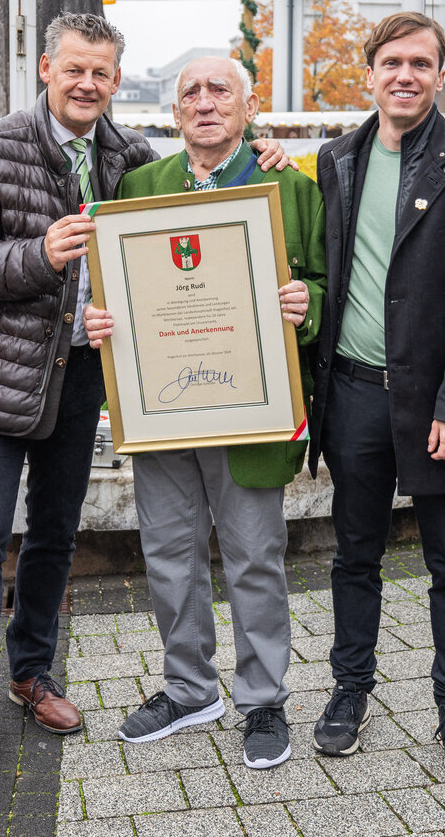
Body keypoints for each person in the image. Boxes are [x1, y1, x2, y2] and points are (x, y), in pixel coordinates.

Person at [0, 13, 291, 804]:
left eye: (102, 73)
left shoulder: (131, 159)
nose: (86, 84)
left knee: (56, 536)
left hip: (83, 378)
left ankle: (30, 672)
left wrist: (267, 155)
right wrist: (36, 256)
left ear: (117, 82)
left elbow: (197, 210)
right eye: (74, 70)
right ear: (46, 68)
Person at [82, 56, 324, 771]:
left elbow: (317, 280)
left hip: (249, 407)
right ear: (175, 111)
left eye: (220, 89)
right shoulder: (140, 186)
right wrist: (103, 321)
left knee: (254, 557)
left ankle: (262, 698)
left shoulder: (287, 185)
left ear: (248, 109)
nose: (204, 100)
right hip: (164, 409)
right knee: (167, 554)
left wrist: (303, 304)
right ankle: (189, 689)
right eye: (190, 91)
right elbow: (120, 282)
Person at [306, 11, 445, 782]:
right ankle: (349, 691)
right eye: (392, 63)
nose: (405, 76)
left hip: (434, 406)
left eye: (421, 64)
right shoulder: (335, 159)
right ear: (368, 73)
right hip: (354, 394)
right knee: (352, 556)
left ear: (439, 75)